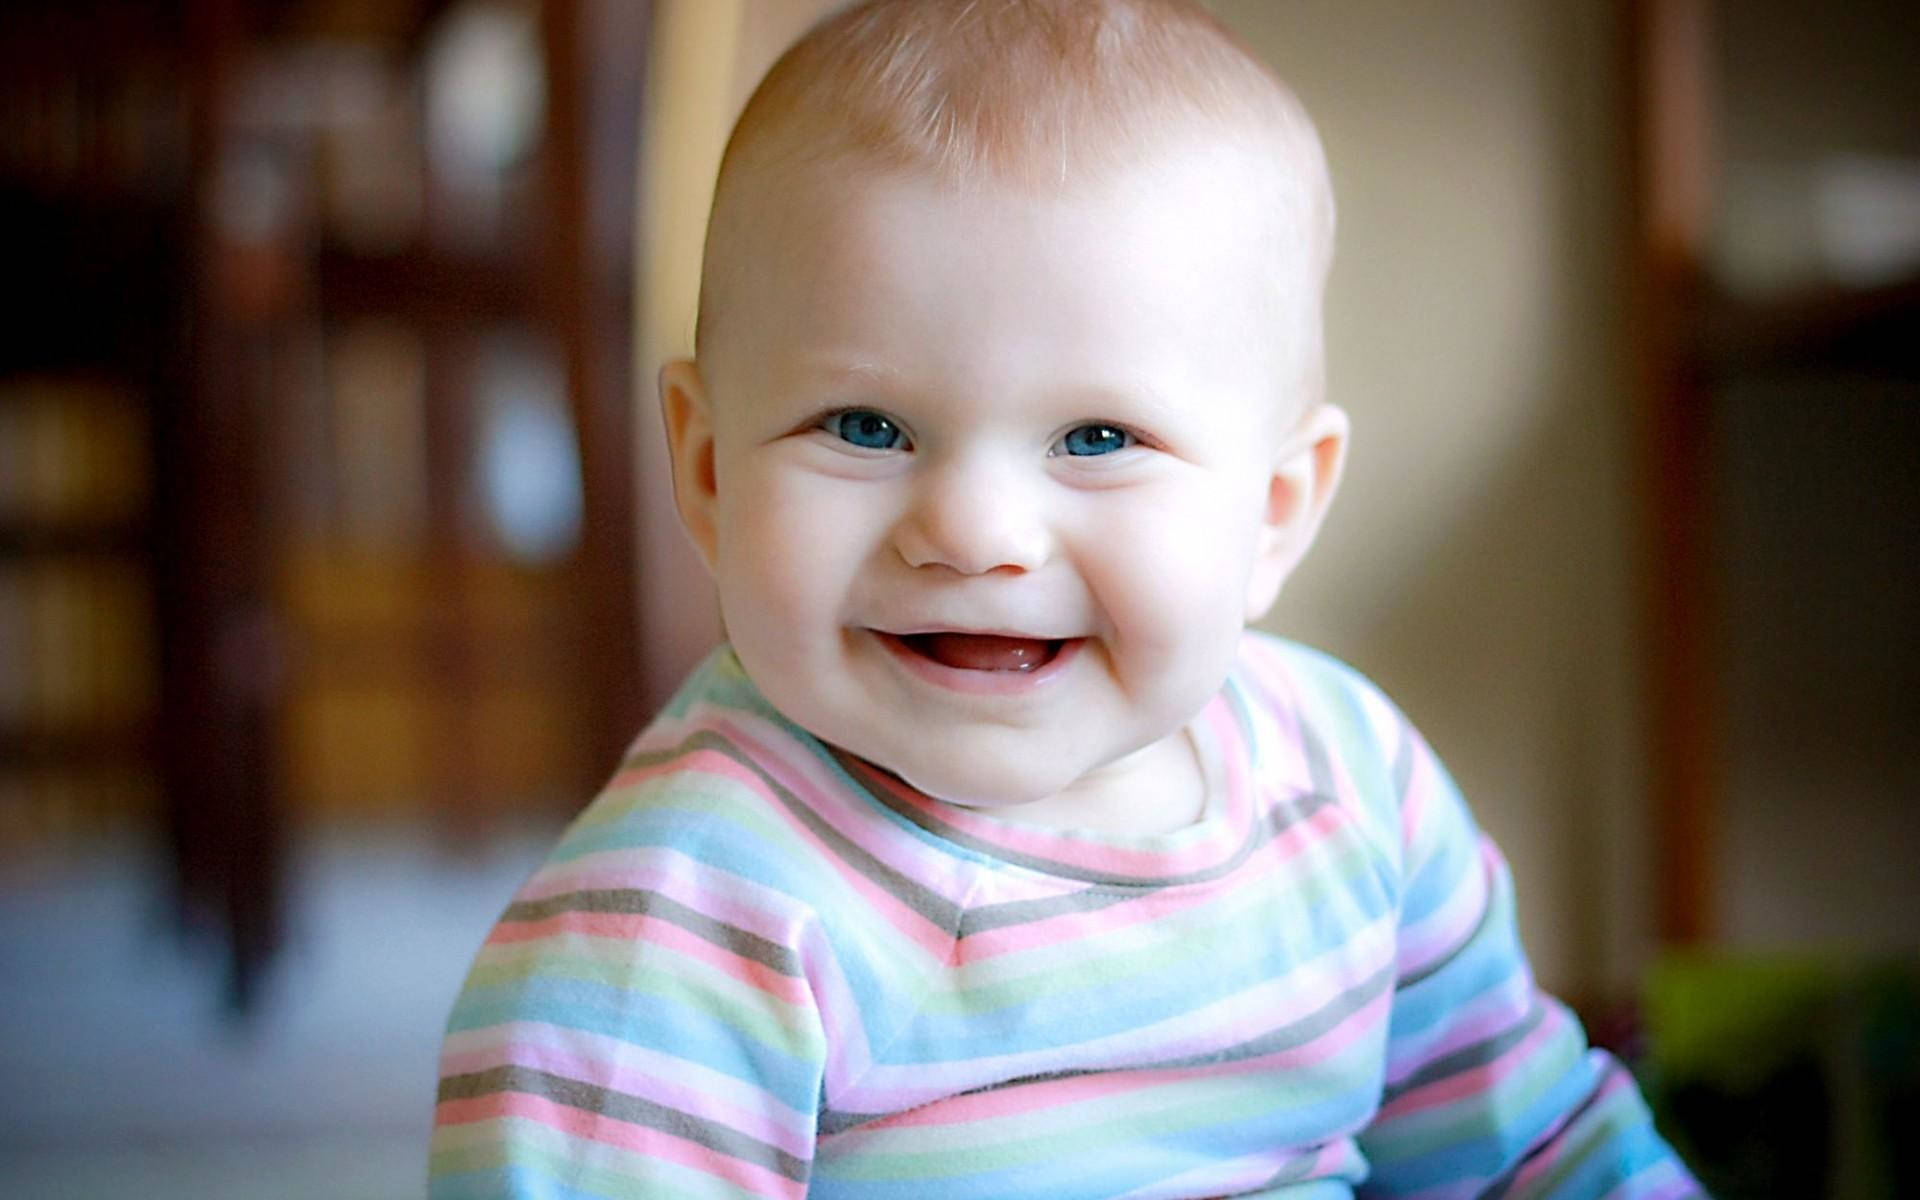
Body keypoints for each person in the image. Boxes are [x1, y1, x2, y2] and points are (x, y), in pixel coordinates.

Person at [429, 1, 1703, 1196]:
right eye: (865, 425)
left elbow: (1536, 1149)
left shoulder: (1347, 782)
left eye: (1097, 439)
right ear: (707, 472)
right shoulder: (677, 929)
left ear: (1274, 509)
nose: (975, 532)